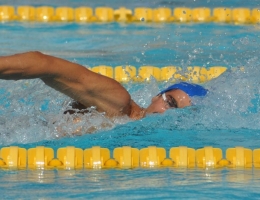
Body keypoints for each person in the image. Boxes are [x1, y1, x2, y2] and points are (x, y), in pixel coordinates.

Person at [0, 51, 207, 120]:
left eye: (180, 112)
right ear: (156, 96)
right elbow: (46, 65)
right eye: (169, 102)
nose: (168, 114)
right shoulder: (118, 103)